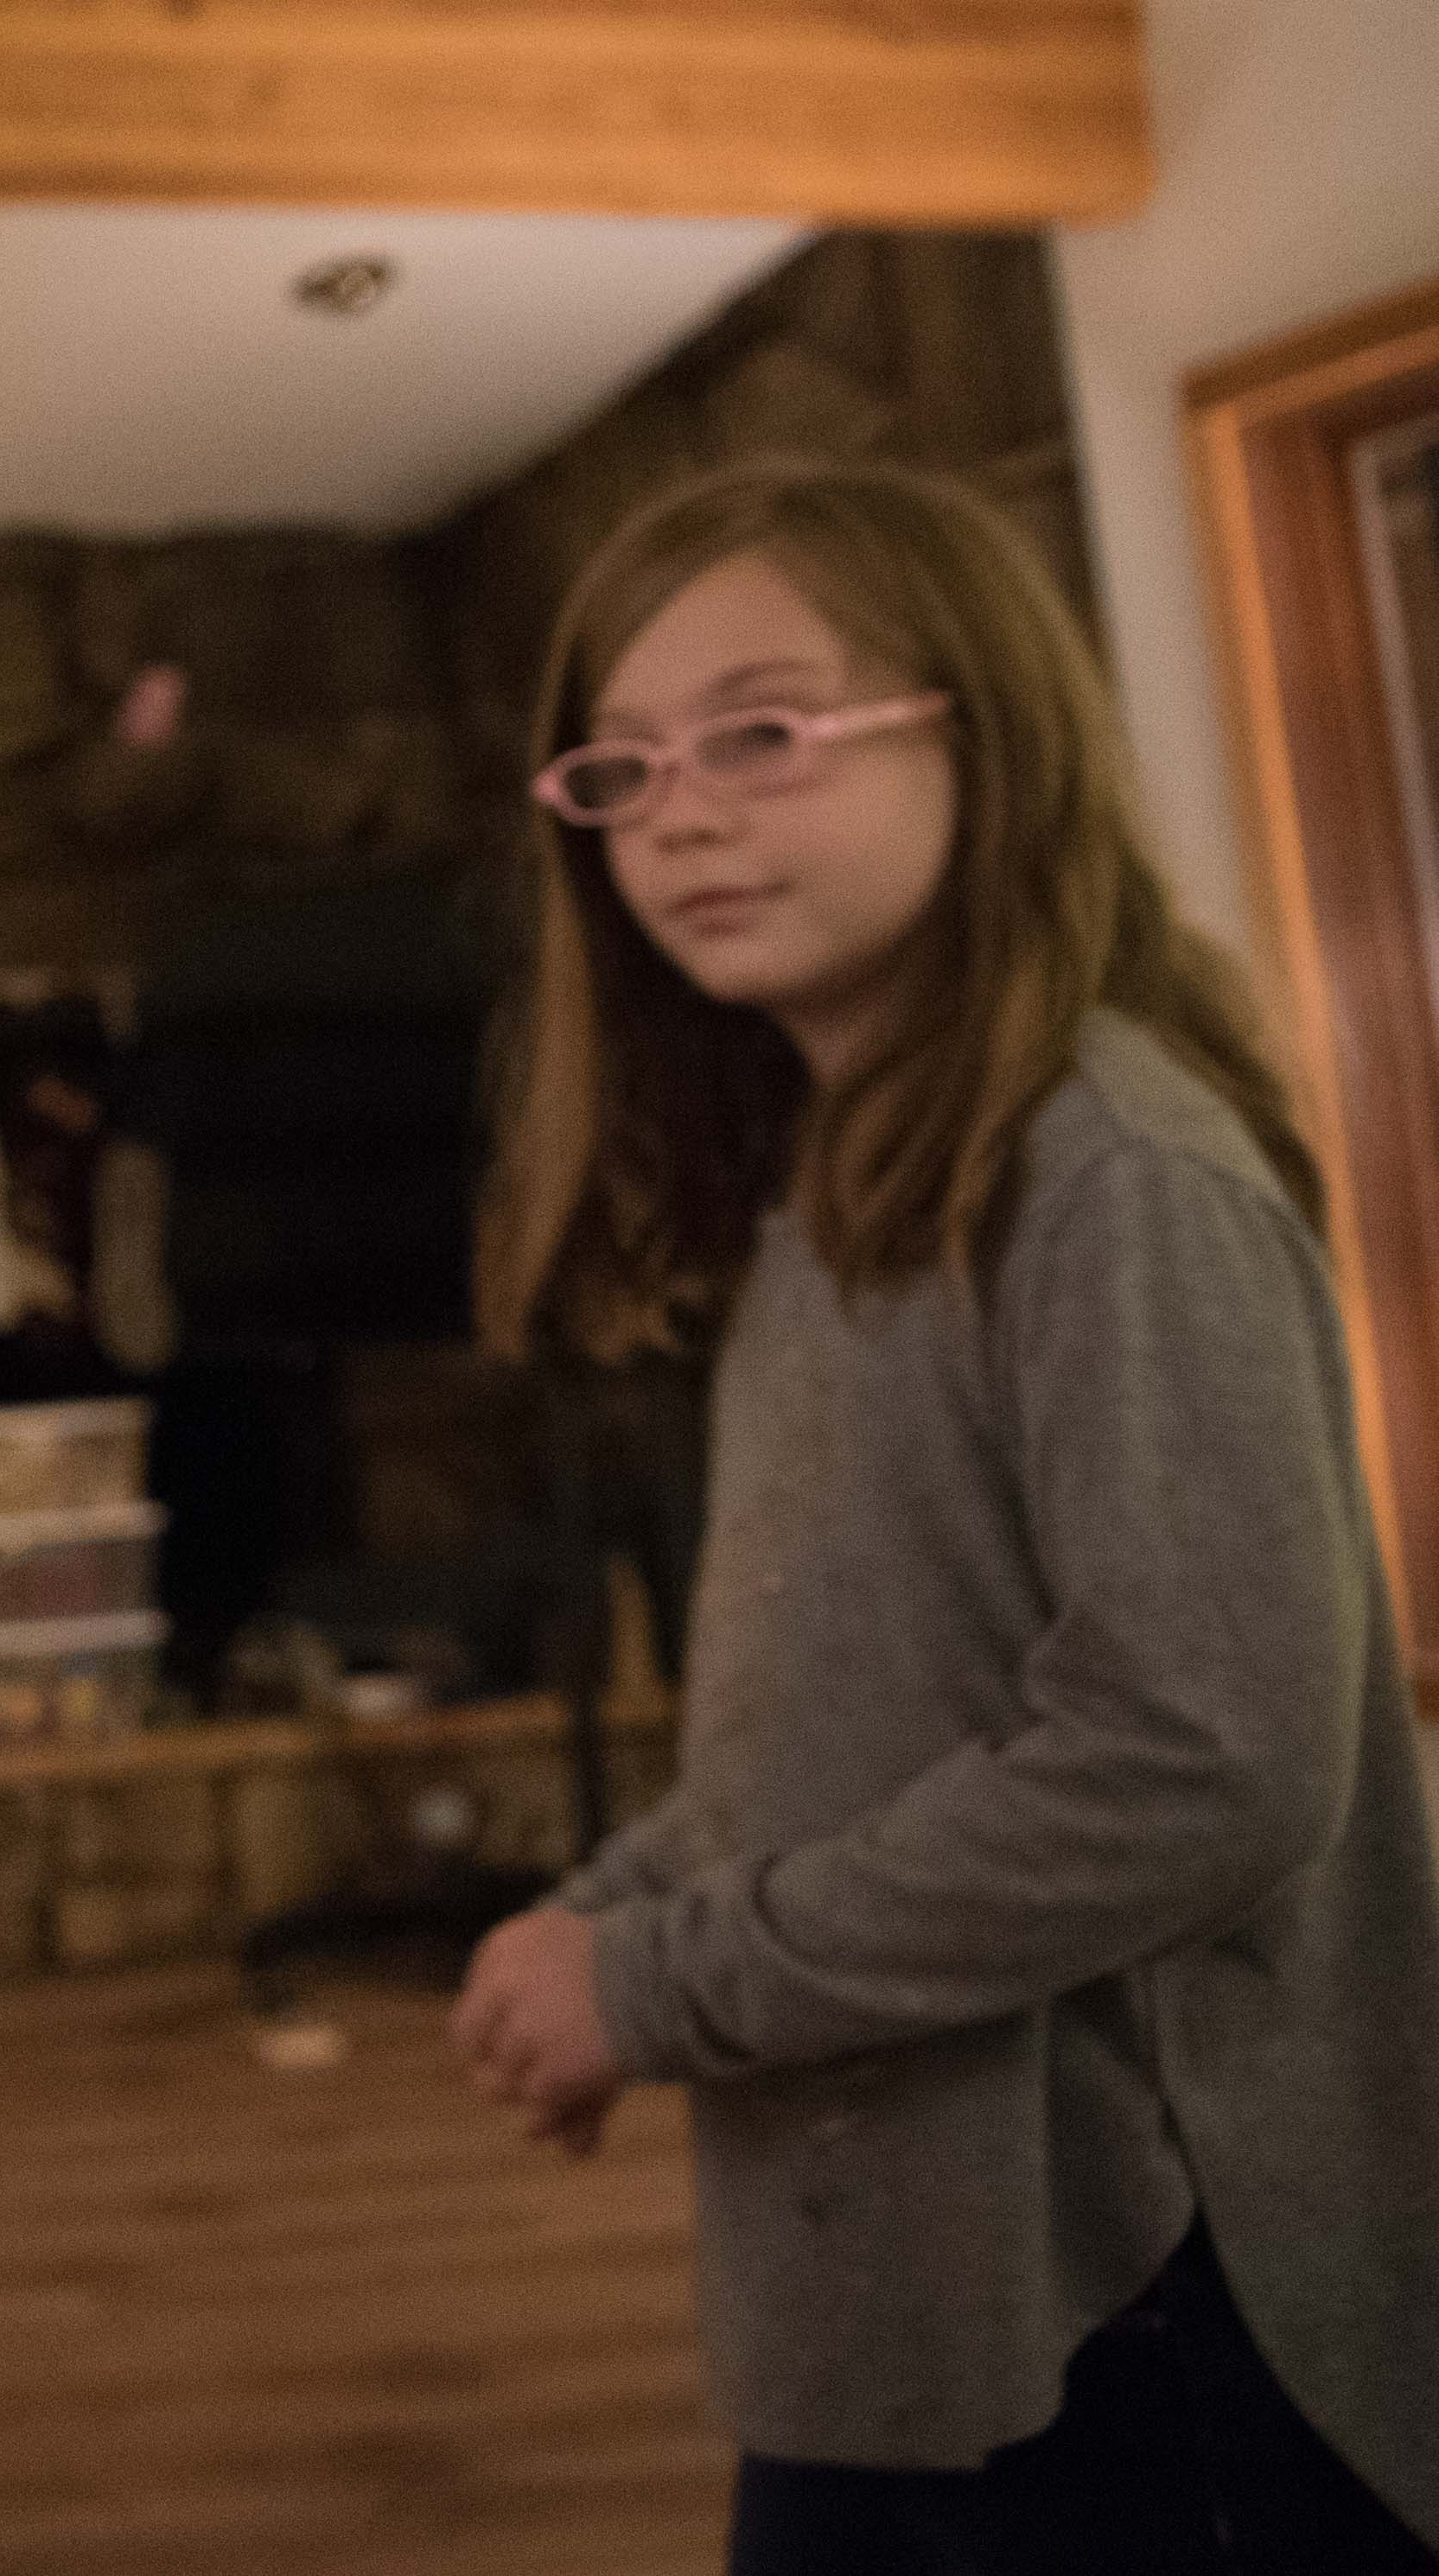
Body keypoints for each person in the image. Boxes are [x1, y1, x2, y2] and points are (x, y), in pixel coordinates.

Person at [446, 456, 1439, 2573]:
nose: (675, 815)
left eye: (761, 733)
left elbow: (1203, 1758)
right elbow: (871, 1706)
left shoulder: (1107, 1172)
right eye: (619, 768)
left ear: (985, 733)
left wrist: (657, 1980)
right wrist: (605, 1920)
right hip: (921, 2290)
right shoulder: (854, 1169)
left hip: (1138, 2308)